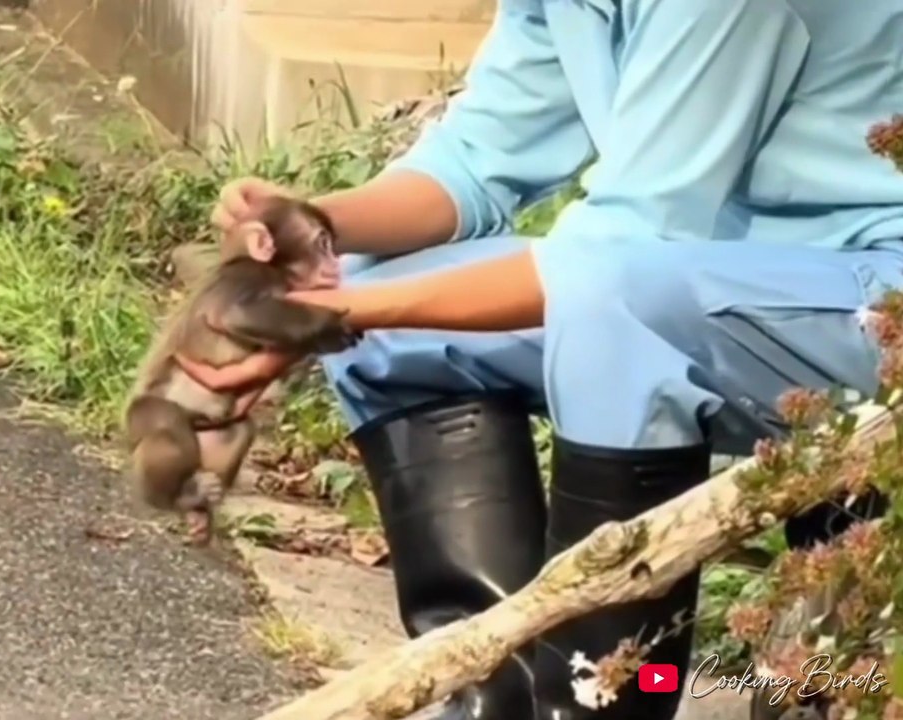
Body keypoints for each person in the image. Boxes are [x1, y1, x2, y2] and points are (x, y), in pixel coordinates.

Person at [185, 2, 903, 719]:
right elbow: (474, 162)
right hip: (700, 289)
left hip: (867, 304)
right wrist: (309, 229)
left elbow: (621, 245)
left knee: (604, 307)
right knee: (384, 313)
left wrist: (323, 317)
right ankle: (488, 696)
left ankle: (595, 702)